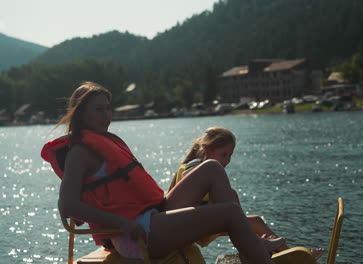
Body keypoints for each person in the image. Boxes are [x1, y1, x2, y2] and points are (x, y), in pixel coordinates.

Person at [40, 81, 285, 263]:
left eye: (108, 109)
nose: (107, 116)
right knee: (230, 211)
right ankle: (253, 249)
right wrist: (123, 223)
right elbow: (68, 206)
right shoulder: (80, 152)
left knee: (212, 167)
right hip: (136, 234)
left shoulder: (106, 142)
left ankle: (247, 246)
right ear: (80, 113)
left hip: (152, 215)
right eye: (98, 110)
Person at [168, 127, 324, 259]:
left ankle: (290, 254)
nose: (227, 160)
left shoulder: (197, 166)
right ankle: (257, 244)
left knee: (256, 221)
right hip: (195, 227)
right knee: (235, 198)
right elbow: (186, 178)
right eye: (223, 154)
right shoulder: (195, 166)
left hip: (203, 224)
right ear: (207, 150)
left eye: (230, 155)